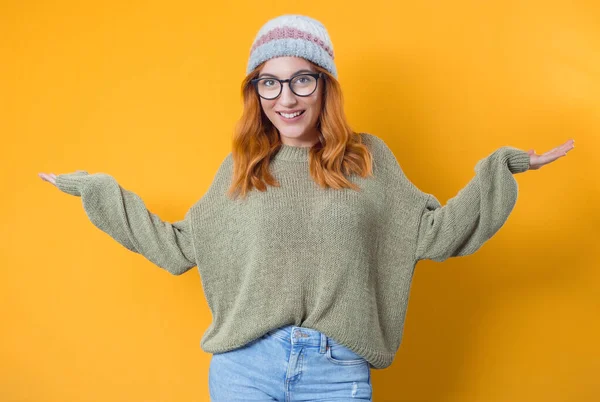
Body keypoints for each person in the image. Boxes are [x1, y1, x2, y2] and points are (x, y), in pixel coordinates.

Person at [39, 14, 574, 402]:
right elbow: (180, 246)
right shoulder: (242, 167)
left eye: (302, 78)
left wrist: (500, 170)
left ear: (325, 86)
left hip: (336, 372)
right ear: (256, 92)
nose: (286, 97)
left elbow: (431, 233)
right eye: (269, 82)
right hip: (244, 371)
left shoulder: (367, 159)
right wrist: (97, 189)